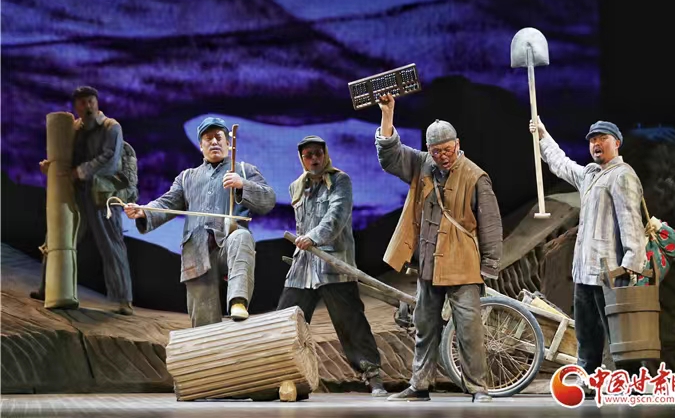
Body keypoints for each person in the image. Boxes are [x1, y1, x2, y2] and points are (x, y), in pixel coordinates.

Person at [375, 94, 502, 402]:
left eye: (447, 149)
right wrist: (388, 115)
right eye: (436, 151)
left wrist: (489, 266)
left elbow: (490, 224)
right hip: (429, 264)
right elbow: (391, 157)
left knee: (469, 330)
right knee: (425, 327)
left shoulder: (475, 176)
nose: (442, 156)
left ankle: (478, 388)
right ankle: (419, 385)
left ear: (457, 145)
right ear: (429, 150)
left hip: (463, 266)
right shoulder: (423, 165)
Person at [124, 117, 276, 327]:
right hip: (197, 249)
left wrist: (243, 185)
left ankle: (238, 301)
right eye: (208, 138)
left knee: (241, 236)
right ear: (200, 146)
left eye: (218, 137)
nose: (214, 142)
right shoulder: (187, 177)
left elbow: (268, 199)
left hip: (230, 245)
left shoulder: (243, 170)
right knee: (203, 321)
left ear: (228, 143)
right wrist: (143, 211)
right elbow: (166, 203)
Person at [530, 118, 647, 377]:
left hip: (611, 273)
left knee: (620, 337)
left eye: (603, 138)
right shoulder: (591, 175)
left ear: (617, 143)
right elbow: (561, 164)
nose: (596, 144)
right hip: (585, 272)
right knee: (587, 335)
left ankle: (634, 385)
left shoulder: (622, 175)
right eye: (593, 140)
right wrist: (543, 135)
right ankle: (590, 379)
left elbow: (631, 222)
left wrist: (631, 266)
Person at [276, 135, 388, 397]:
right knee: (285, 321)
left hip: (333, 263)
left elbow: (336, 216)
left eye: (318, 153)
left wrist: (314, 237)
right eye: (308, 155)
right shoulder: (296, 187)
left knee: (351, 322)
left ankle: (373, 376)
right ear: (302, 159)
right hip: (304, 266)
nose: (314, 159)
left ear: (325, 155)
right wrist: (305, 242)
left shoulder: (340, 181)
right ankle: (281, 377)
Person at [33, 86, 134, 315]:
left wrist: (79, 172)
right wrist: (52, 166)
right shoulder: (74, 129)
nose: (87, 106)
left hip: (103, 195)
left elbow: (109, 158)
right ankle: (47, 288)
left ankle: (123, 299)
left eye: (90, 101)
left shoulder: (111, 127)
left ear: (96, 103)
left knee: (111, 244)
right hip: (77, 193)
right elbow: (65, 155)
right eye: (82, 102)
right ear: (76, 106)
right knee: (58, 239)